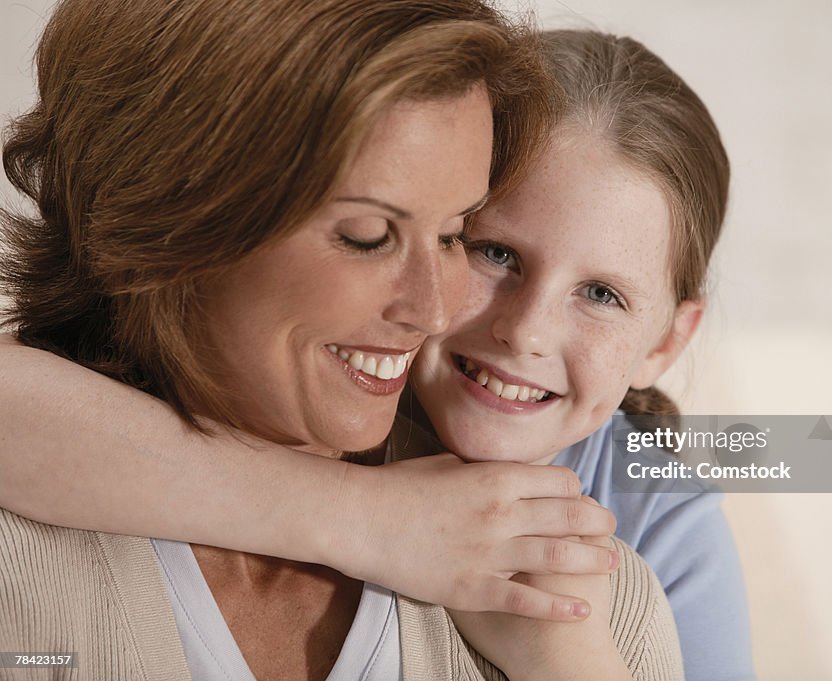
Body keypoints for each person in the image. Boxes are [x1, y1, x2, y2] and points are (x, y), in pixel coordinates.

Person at [0, 11, 754, 681]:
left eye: (602, 294)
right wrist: (366, 515)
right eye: (489, 250)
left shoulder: (661, 492)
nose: (519, 329)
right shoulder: (57, 494)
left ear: (667, 340)